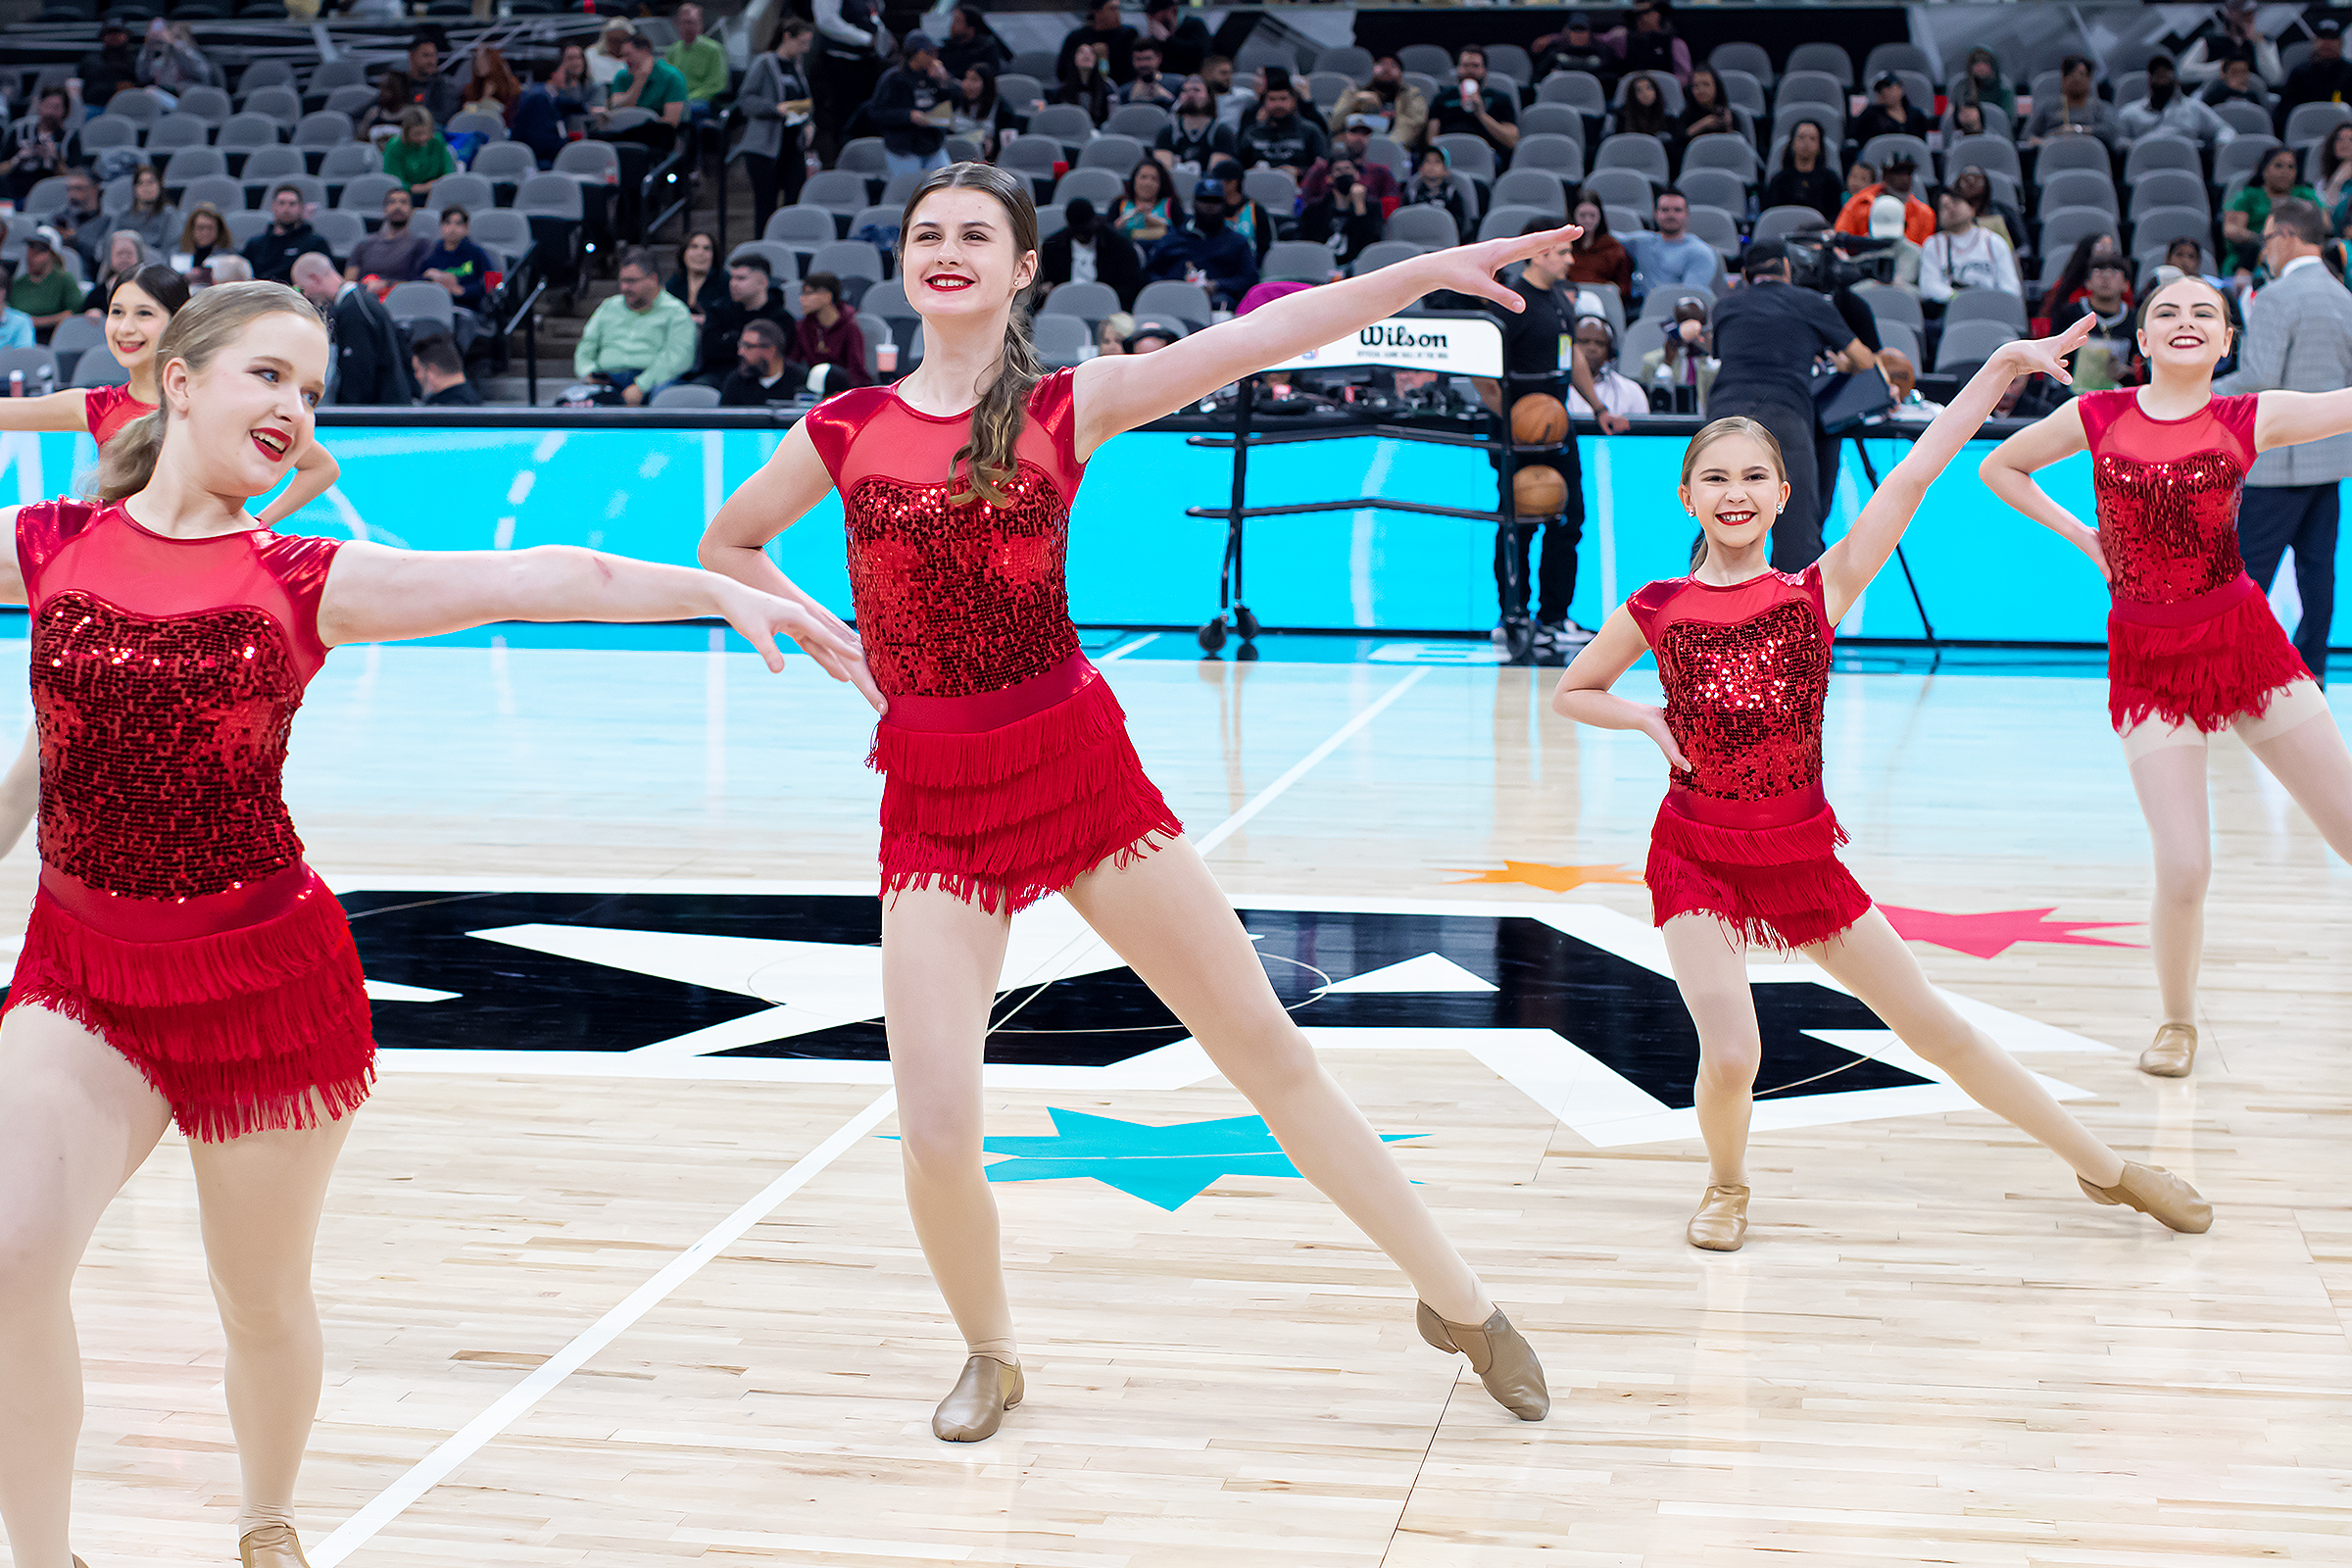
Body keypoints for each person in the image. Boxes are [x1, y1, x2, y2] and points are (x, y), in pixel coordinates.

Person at [0, 277, 868, 1568]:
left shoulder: (305, 576)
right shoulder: (45, 543)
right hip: (80, 975)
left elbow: (541, 576)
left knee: (258, 1298)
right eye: (268, 375)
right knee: (12, 1263)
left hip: (262, 984)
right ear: (176, 382)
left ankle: (266, 1524)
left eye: (310, 389)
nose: (295, 408)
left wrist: (713, 590)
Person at [700, 159, 1562, 1447]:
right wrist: (835, 641)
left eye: (976, 234)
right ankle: (991, 1352)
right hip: (933, 792)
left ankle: (1464, 1304)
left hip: (1075, 765)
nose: (947, 250)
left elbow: (1258, 337)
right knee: (935, 1123)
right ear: (905, 263)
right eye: (928, 233)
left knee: (1266, 1050)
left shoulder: (1073, 402)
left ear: (1022, 268)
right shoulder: (842, 425)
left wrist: (1421, 275)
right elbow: (728, 543)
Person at [1554, 316, 2213, 1252]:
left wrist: (1999, 368)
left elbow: (1915, 474)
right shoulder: (1655, 607)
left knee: (1938, 1029)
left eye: (1753, 478)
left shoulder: (1815, 591)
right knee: (1733, 1051)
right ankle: (1727, 1184)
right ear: (1686, 495)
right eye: (1716, 478)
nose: (1735, 493)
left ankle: (2108, 1168)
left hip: (1800, 856)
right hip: (1694, 854)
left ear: (1783, 494)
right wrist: (1645, 719)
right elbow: (1573, 691)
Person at [1983, 272, 2352, 1079]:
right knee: (2185, 866)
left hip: (2246, 644)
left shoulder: (2250, 416)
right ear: (2143, 340)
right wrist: (2086, 539)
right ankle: (2178, 1022)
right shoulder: (2096, 414)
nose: (2187, 321)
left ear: (2227, 341)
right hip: (2148, 661)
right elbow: (2001, 468)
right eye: (2167, 312)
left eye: (2204, 313)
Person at [2214, 200, 2352, 687]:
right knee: (2318, 575)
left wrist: (2196, 392)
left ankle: (2230, 672)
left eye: (2268, 239)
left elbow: (2258, 378)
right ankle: (2312, 673)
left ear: (2289, 236)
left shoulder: (2275, 297)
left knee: (2247, 574)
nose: (2265, 251)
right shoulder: (2344, 297)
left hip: (2277, 464)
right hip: (2329, 461)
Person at [1478, 221, 1630, 656]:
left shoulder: (1560, 299)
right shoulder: (1509, 302)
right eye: (1563, 252)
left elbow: (1573, 355)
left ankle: (1554, 617)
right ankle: (1512, 616)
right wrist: (1513, 422)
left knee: (1569, 520)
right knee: (1518, 525)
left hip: (1559, 430)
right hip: (1518, 437)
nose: (1570, 259)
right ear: (1539, 253)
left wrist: (1598, 408)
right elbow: (1481, 372)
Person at [1704, 240, 1887, 569]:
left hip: (1724, 418)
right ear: (1787, 268)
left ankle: (1705, 599)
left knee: (1720, 524)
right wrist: (1841, 363)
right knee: (1796, 534)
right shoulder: (1810, 302)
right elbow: (1864, 360)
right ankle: (1792, 604)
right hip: (1783, 417)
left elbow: (1724, 350)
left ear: (1745, 275)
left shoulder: (1725, 306)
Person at [569, 247, 694, 406]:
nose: (625, 288)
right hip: (606, 378)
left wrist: (641, 386)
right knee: (570, 400)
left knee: (665, 394)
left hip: (651, 380)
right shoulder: (608, 307)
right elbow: (586, 346)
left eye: (631, 281)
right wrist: (588, 373)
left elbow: (677, 358)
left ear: (653, 279)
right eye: (622, 281)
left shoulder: (675, 311)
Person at [290, 252, 413, 405]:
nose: (306, 295)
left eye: (303, 288)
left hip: (377, 411)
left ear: (315, 278)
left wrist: (347, 412)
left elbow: (358, 375)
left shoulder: (353, 311)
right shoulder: (361, 299)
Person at [740, 20, 815, 235]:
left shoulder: (797, 67)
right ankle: (763, 247)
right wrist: (774, 108)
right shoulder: (764, 63)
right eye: (801, 43)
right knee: (766, 206)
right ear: (787, 37)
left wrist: (809, 124)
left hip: (792, 145)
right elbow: (746, 100)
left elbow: (805, 102)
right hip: (765, 148)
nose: (804, 49)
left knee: (795, 200)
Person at [1144, 178, 1258, 309]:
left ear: (1224, 204)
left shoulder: (1237, 242)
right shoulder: (1173, 239)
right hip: (1172, 299)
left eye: (1215, 201)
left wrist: (1217, 285)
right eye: (1204, 200)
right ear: (1194, 202)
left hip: (1217, 303)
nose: (1209, 206)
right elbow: (1150, 275)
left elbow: (1249, 279)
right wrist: (1175, 285)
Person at [867, 32, 963, 179]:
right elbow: (876, 113)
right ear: (920, 53)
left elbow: (957, 101)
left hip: (933, 145)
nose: (935, 57)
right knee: (910, 189)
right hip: (903, 148)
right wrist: (908, 116)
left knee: (947, 183)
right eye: (930, 52)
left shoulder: (934, 75)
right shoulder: (892, 79)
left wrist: (944, 81)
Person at [693, 252, 793, 387]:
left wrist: (731, 338)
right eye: (732, 278)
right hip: (718, 377)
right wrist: (751, 345)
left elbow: (774, 357)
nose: (733, 284)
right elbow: (710, 350)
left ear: (762, 282)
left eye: (741, 278)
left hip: (763, 379)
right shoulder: (718, 311)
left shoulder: (781, 318)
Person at [2225, 146, 2317, 278]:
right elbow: (2231, 230)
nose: (2285, 172)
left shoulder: (2305, 195)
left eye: (2291, 167)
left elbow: (2324, 225)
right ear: (2264, 169)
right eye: (2278, 166)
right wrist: (2265, 240)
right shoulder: (2247, 197)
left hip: (2298, 254)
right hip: (2250, 259)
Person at [811, 0, 887, 162]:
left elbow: (873, 14)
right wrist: (865, 38)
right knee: (842, 120)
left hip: (866, 62)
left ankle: (870, 160)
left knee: (868, 116)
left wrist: (881, 36)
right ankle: (842, 162)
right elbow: (826, 21)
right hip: (839, 65)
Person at [2049, 253, 2138, 388]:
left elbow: (2140, 368)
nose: (2106, 276)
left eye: (2114, 271)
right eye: (2098, 270)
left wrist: (2127, 374)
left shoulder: (2134, 321)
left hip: (2118, 394)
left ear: (2126, 284)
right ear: (2088, 283)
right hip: (2071, 393)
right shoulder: (2070, 314)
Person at [1918, 187, 2021, 305]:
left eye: (1956, 202)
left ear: (1972, 208)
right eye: (1945, 207)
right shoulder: (1933, 244)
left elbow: (2011, 288)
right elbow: (1928, 285)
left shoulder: (1993, 242)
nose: (1951, 209)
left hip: (1991, 306)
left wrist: (1988, 301)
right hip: (1951, 307)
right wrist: (1959, 298)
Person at [1039, 198, 1144, 310]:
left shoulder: (1118, 245)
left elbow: (1131, 285)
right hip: (1064, 305)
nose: (1082, 235)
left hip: (1104, 306)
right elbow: (1043, 283)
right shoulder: (1052, 246)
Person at [420, 203, 495, 358]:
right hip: (436, 309)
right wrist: (429, 276)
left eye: (458, 223)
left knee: (462, 322)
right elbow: (417, 281)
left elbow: (493, 282)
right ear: (441, 227)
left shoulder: (477, 253)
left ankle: (455, 363)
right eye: (447, 223)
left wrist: (463, 291)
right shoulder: (431, 253)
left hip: (469, 309)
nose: (452, 228)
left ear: (466, 228)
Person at [2120, 54, 2236, 148]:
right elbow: (2120, 142)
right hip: (2146, 162)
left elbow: (2224, 129)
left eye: (2166, 73)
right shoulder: (2130, 112)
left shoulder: (2193, 107)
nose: (2162, 76)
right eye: (2157, 74)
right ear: (2149, 81)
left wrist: (2221, 144)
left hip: (2186, 162)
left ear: (2175, 80)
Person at [601, 30, 690, 154]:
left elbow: (670, 122)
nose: (626, 60)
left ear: (644, 52)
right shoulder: (622, 77)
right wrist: (639, 82)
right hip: (623, 136)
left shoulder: (672, 77)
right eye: (623, 56)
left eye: (629, 55)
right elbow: (617, 108)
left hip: (656, 141)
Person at [1625, 191, 1714, 305]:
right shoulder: (1641, 242)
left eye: (1677, 210)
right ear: (1655, 213)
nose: (1671, 215)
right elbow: (1607, 238)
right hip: (1643, 310)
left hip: (1679, 311)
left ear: (1687, 214)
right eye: (1665, 210)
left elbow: (1690, 299)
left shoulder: (1700, 252)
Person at [1427, 46, 1519, 153]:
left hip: (1485, 154)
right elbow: (1431, 140)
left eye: (1475, 66)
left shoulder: (1499, 98)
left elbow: (1511, 140)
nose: (1470, 71)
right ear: (1458, 69)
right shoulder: (1443, 98)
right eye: (1465, 65)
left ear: (1484, 70)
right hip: (1448, 152)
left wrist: (1481, 114)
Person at [1295, 156, 1382, 269]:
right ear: (1329, 178)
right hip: (1321, 266)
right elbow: (1307, 244)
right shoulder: (1315, 209)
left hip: (1358, 267)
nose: (1344, 173)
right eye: (1338, 170)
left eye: (1348, 169)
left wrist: (1360, 208)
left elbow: (1370, 246)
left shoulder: (1372, 207)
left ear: (1356, 174)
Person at [2178, 0, 2284, 89]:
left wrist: (2257, 43)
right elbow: (2183, 73)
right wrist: (2222, 69)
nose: (2246, 17)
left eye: (2249, 13)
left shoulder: (2264, 42)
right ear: (2226, 12)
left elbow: (2274, 79)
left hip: (2252, 98)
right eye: (2237, 9)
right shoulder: (2209, 41)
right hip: (2218, 97)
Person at [1835, 151, 1933, 245]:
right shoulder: (1860, 202)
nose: (1905, 178)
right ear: (1885, 175)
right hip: (1864, 254)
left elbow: (1924, 251)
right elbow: (1841, 238)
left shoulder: (1924, 214)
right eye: (1898, 173)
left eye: (1908, 173)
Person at [2024, 55, 2121, 149]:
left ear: (2089, 79)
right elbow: (2027, 135)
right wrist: (2043, 142)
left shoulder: (2100, 108)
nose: (2077, 79)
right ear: (2063, 78)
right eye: (2071, 75)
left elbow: (2111, 133)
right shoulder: (2048, 107)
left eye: (2081, 74)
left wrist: (2078, 129)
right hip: (2054, 153)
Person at [1299, 115, 1397, 208]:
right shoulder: (1321, 171)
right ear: (1342, 136)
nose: (1359, 138)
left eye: (1364, 134)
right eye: (1354, 132)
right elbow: (1305, 204)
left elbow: (1390, 210)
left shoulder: (1380, 173)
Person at [1332, 55, 1428, 149]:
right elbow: (1334, 123)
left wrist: (1385, 145)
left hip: (1392, 147)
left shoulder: (1411, 96)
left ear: (1401, 74)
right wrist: (1354, 101)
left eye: (1393, 66)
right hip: (1353, 146)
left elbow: (1411, 126)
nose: (1386, 69)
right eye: (1381, 64)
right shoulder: (1354, 93)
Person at [795, 270, 870, 389]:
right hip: (813, 387)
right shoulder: (804, 326)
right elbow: (794, 361)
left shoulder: (850, 328)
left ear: (827, 297)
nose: (802, 299)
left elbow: (856, 371)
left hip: (842, 389)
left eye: (808, 293)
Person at [3, 88, 80, 203]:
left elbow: (76, 178)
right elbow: (2, 168)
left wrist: (54, 159)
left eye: (56, 107)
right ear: (39, 106)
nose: (50, 112)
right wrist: (17, 159)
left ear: (65, 111)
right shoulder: (19, 130)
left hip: (52, 194)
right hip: (15, 189)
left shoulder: (70, 137)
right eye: (47, 106)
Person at [1763, 119, 1843, 225]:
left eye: (1812, 139)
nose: (1806, 143)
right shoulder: (1779, 181)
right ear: (1792, 143)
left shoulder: (1831, 181)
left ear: (1819, 145)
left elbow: (1836, 217)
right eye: (1801, 137)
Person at [346, 187, 433, 284]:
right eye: (392, 202)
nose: (398, 206)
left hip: (401, 292)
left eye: (403, 202)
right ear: (384, 210)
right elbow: (349, 283)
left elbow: (420, 284)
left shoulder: (420, 244)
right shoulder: (364, 244)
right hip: (365, 290)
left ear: (412, 211)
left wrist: (386, 285)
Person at [9, 229, 84, 342]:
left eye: (38, 253)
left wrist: (37, 322)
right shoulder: (18, 283)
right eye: (30, 251)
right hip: (19, 337)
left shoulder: (64, 280)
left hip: (54, 337)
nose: (31, 257)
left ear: (51, 255)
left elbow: (74, 312)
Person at [1641, 297, 1715, 407]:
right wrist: (1667, 363)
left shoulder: (1715, 363)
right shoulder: (1652, 363)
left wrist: (1708, 349)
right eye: (1684, 321)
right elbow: (1652, 401)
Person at [1567, 315, 1646, 418]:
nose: (1592, 348)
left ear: (1610, 351)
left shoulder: (1632, 392)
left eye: (1599, 343)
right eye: (1584, 341)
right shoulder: (1553, 388)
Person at [719, 317, 807, 405]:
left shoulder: (799, 382)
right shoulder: (735, 382)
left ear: (770, 351)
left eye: (748, 346)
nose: (740, 352)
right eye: (740, 345)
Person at [382, 107, 458, 201]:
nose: (422, 138)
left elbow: (449, 172)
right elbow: (393, 179)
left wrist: (431, 185)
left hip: (436, 190)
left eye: (425, 133)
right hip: (406, 195)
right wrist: (411, 188)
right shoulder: (394, 147)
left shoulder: (437, 141)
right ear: (406, 132)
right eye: (416, 134)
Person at [1401, 147, 1474, 244]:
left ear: (1446, 170)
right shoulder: (1412, 194)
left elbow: (1460, 226)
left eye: (1437, 162)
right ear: (1420, 169)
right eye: (1427, 161)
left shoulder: (1452, 195)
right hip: (1416, 240)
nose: (1432, 166)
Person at [663, 3, 726, 114]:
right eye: (683, 22)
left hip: (703, 102)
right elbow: (667, 81)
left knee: (685, 110)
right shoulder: (673, 50)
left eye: (691, 22)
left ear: (700, 24)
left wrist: (686, 99)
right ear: (677, 25)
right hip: (676, 101)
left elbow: (715, 85)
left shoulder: (714, 50)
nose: (687, 27)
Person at [1056, 0, 1137, 84]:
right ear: (1098, 12)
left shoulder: (1128, 35)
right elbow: (1062, 71)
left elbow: (1130, 69)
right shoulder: (1078, 37)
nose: (1117, 13)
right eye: (1112, 9)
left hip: (1119, 85)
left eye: (1118, 9)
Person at [105, 163, 176, 257]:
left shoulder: (169, 215)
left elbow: (170, 249)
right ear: (134, 189)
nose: (146, 187)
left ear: (160, 186)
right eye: (141, 183)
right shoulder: (123, 215)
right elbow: (110, 243)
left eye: (150, 182)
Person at [950, 62, 1017, 159]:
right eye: (966, 79)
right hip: (956, 154)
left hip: (987, 160)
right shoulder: (956, 100)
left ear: (987, 83)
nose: (968, 84)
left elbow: (1008, 146)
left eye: (974, 80)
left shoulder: (1003, 109)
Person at [1949, 165, 2026, 252]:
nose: (1971, 182)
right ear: (1958, 184)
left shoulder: (2003, 211)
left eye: (1977, 178)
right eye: (1966, 179)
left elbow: (2023, 246)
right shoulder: (1950, 214)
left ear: (1986, 184)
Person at [1566, 198, 1632, 297]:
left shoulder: (1614, 249)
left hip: (1602, 300)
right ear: (1574, 216)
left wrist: (1613, 290)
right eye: (1582, 215)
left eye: (1592, 216)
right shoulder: (1565, 247)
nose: (1588, 220)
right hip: (1569, 298)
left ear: (1600, 217)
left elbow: (1624, 287)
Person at [2283, 18, 2352, 113]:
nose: (2327, 43)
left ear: (2340, 42)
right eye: (2322, 37)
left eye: (2332, 38)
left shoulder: (2349, 74)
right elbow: (2285, 110)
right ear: (2314, 41)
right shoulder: (2299, 75)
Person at [1211, 160, 1273, 264]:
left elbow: (1264, 246)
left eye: (1217, 182)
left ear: (1233, 183)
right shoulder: (1211, 208)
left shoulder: (1256, 210)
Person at [137, 19, 221, 93]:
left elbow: (202, 75)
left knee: (151, 92)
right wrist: (148, 48)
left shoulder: (191, 55)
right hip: (168, 96)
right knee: (149, 93)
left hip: (190, 96)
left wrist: (174, 43)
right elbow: (143, 77)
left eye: (177, 37)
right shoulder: (159, 59)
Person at [1111, 159, 1182, 248]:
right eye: (1143, 177)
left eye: (1154, 179)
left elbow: (1180, 234)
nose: (1148, 183)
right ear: (1134, 180)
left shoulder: (1171, 205)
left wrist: (1151, 221)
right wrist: (1129, 216)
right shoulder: (1120, 204)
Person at [401, 30, 464, 124]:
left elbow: (446, 116)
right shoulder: (401, 83)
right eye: (426, 56)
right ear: (412, 56)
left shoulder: (446, 85)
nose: (431, 61)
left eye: (433, 55)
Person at [76, 19, 143, 108]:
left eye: (118, 33)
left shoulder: (136, 60)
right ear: (103, 37)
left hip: (130, 105)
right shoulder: (91, 60)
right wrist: (114, 88)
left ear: (126, 36)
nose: (114, 36)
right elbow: (87, 89)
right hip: (97, 106)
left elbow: (144, 84)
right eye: (110, 33)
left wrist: (131, 87)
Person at [1533, 11, 1612, 84]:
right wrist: (1552, 77)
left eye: (1582, 30)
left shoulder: (1601, 51)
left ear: (1589, 32)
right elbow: (1537, 78)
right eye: (1574, 30)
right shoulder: (1555, 52)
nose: (1578, 35)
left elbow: (1612, 77)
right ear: (1567, 32)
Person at [1612, 72, 1678, 157]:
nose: (1645, 94)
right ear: (1633, 95)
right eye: (1639, 91)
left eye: (1649, 88)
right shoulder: (1622, 117)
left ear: (1656, 91)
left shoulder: (1668, 117)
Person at [408, 328, 480, 406]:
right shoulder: (474, 401)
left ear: (432, 369)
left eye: (417, 370)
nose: (416, 376)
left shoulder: (442, 408)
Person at [1853, 71, 1929, 143]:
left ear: (1900, 88)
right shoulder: (1869, 116)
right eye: (1880, 89)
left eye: (1888, 86)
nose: (1884, 91)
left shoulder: (1916, 115)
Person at [665, 229, 724, 321]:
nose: (700, 253)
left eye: (707, 248)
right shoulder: (674, 282)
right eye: (694, 247)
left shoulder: (725, 283)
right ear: (683, 253)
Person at [1140, 0, 1208, 76]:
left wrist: (1168, 39)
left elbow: (1198, 53)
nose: (1153, 19)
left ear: (1171, 11)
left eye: (1155, 13)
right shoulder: (1155, 37)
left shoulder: (1194, 25)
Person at [1054, 42, 1115, 122]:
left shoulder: (1107, 89)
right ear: (1074, 58)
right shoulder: (1062, 91)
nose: (1087, 55)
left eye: (1091, 52)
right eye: (1081, 52)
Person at [940, 6, 1007, 79]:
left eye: (957, 21)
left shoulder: (984, 50)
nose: (952, 26)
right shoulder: (947, 49)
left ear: (970, 29)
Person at [1677, 65, 1738, 143]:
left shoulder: (1728, 114)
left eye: (1706, 84)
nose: (1701, 90)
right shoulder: (1685, 116)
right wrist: (1700, 126)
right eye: (1696, 86)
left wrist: (1729, 126)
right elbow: (1678, 142)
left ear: (1716, 86)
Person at [462, 44, 523, 119]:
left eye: (484, 57)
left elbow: (509, 115)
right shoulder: (470, 88)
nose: (478, 61)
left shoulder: (510, 88)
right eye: (476, 56)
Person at [2201, 54, 2271, 114]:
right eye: (2234, 72)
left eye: (2243, 72)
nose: (2239, 77)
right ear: (2224, 74)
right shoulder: (2214, 97)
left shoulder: (2254, 97)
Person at [1955, 45, 2013, 117]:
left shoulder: (2004, 87)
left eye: (1985, 63)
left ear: (1993, 65)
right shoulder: (1963, 87)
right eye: (1976, 63)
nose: (1981, 67)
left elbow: (2008, 117)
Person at [174, 203, 232, 274]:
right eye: (200, 228)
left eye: (210, 228)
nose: (205, 233)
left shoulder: (228, 258)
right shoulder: (177, 254)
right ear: (191, 229)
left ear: (219, 230)